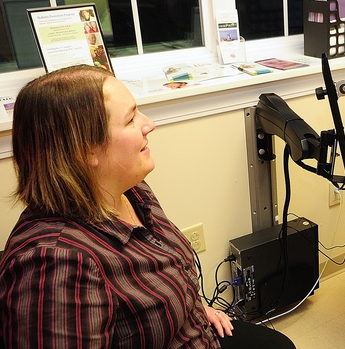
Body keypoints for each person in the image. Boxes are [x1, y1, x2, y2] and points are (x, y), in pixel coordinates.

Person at [0, 65, 296, 349]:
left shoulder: (132, 191)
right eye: (130, 120)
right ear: (85, 149)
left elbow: (164, 275)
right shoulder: (56, 264)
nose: (149, 124)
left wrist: (195, 307)